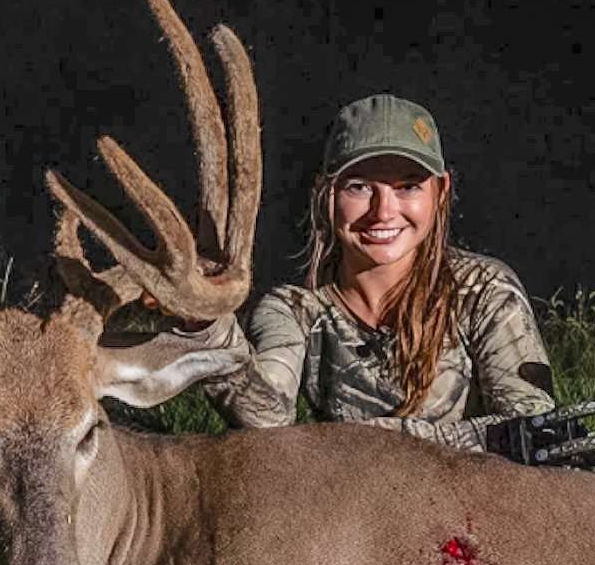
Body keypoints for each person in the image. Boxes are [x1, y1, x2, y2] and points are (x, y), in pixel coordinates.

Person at [178, 93, 555, 453]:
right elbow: (266, 418)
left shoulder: (482, 291)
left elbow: (531, 426)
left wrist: (363, 442)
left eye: (408, 187)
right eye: (359, 187)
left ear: (440, 192)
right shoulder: (294, 311)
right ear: (327, 194)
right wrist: (207, 327)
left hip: (472, 506)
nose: (383, 211)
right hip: (352, 513)